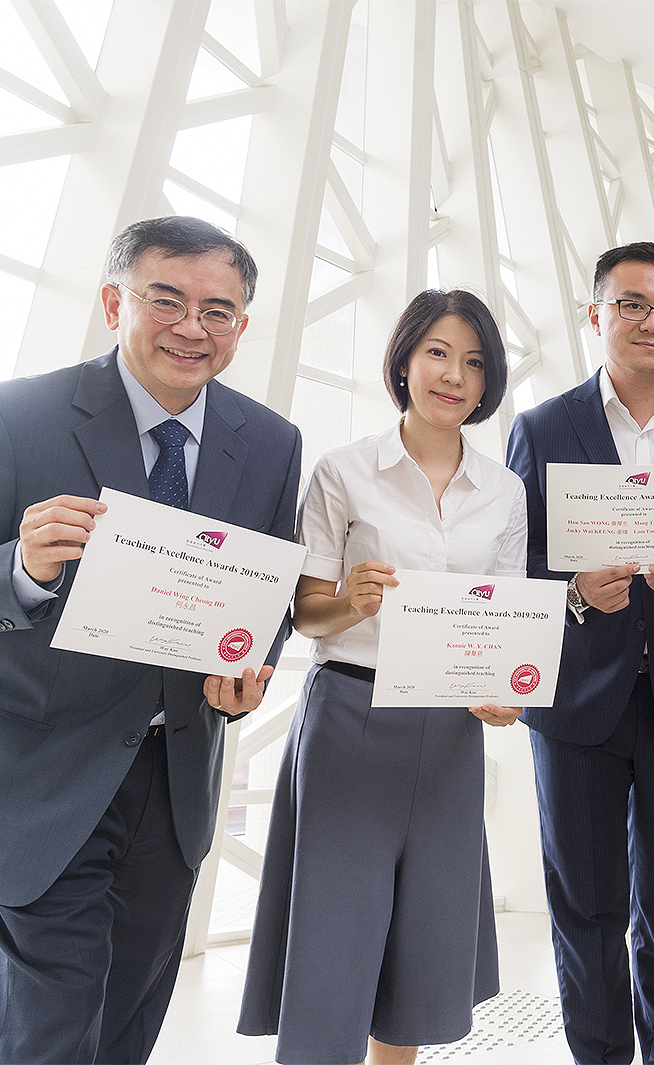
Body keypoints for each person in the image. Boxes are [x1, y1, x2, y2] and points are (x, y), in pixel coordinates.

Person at [0, 216, 300, 1064]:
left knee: (123, 1034)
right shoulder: (11, 416)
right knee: (46, 1041)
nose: (192, 327)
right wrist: (19, 566)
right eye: (166, 299)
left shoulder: (271, 441)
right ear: (114, 301)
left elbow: (267, 587)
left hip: (172, 784)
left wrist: (250, 666)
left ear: (242, 327)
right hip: (39, 782)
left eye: (219, 310)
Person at [237, 290, 525, 1064]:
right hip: (352, 718)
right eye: (437, 352)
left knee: (422, 948)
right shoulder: (344, 470)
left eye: (473, 361)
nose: (453, 374)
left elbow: (499, 626)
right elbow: (303, 613)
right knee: (333, 939)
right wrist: (347, 599)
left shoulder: (504, 490)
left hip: (451, 732)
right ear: (403, 361)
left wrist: (501, 693)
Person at [504, 241, 654, 1063]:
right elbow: (511, 564)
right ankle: (599, 1053)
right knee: (584, 903)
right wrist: (572, 594)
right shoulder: (541, 427)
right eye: (632, 305)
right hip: (573, 702)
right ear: (595, 312)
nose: (652, 322)